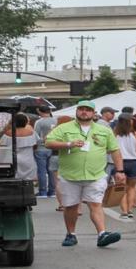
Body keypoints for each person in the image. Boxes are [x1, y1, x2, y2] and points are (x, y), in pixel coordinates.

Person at [45, 101, 125, 248]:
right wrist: (68, 144)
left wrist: (119, 171)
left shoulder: (104, 130)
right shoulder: (64, 128)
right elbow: (48, 142)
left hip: (96, 174)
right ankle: (71, 234)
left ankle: (102, 234)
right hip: (70, 176)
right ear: (76, 111)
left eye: (88, 110)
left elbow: (114, 150)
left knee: (95, 204)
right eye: (81, 109)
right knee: (71, 207)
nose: (84, 112)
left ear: (94, 113)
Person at [113, 116, 136, 220]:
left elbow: (110, 150)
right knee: (131, 187)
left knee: (121, 188)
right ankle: (130, 210)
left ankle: (124, 211)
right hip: (134, 161)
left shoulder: (114, 134)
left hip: (119, 162)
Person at [1, 112, 40, 187]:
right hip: (28, 159)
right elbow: (35, 145)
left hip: (12, 159)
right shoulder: (32, 133)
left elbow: (3, 147)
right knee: (29, 183)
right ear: (26, 122)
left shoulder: (7, 134)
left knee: (14, 181)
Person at [33, 105, 58, 199]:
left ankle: (42, 192)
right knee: (52, 170)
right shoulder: (56, 120)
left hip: (41, 148)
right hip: (53, 148)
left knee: (41, 171)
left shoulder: (39, 122)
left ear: (39, 111)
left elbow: (36, 136)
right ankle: (52, 191)